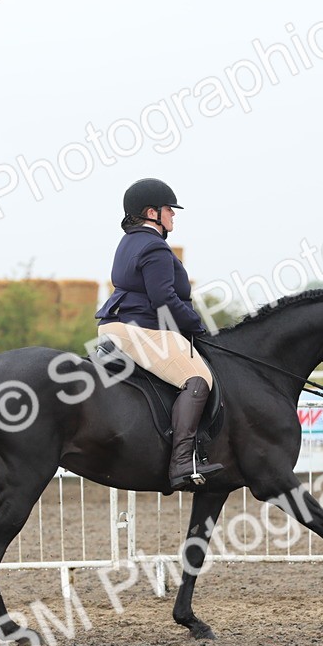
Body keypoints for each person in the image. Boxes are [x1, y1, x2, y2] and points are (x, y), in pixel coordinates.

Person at [94, 178, 224, 490]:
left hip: (115, 327)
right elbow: (164, 299)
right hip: (141, 330)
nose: (173, 215)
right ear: (152, 213)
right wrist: (198, 328)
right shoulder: (155, 246)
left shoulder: (128, 242)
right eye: (169, 210)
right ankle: (182, 461)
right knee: (197, 380)